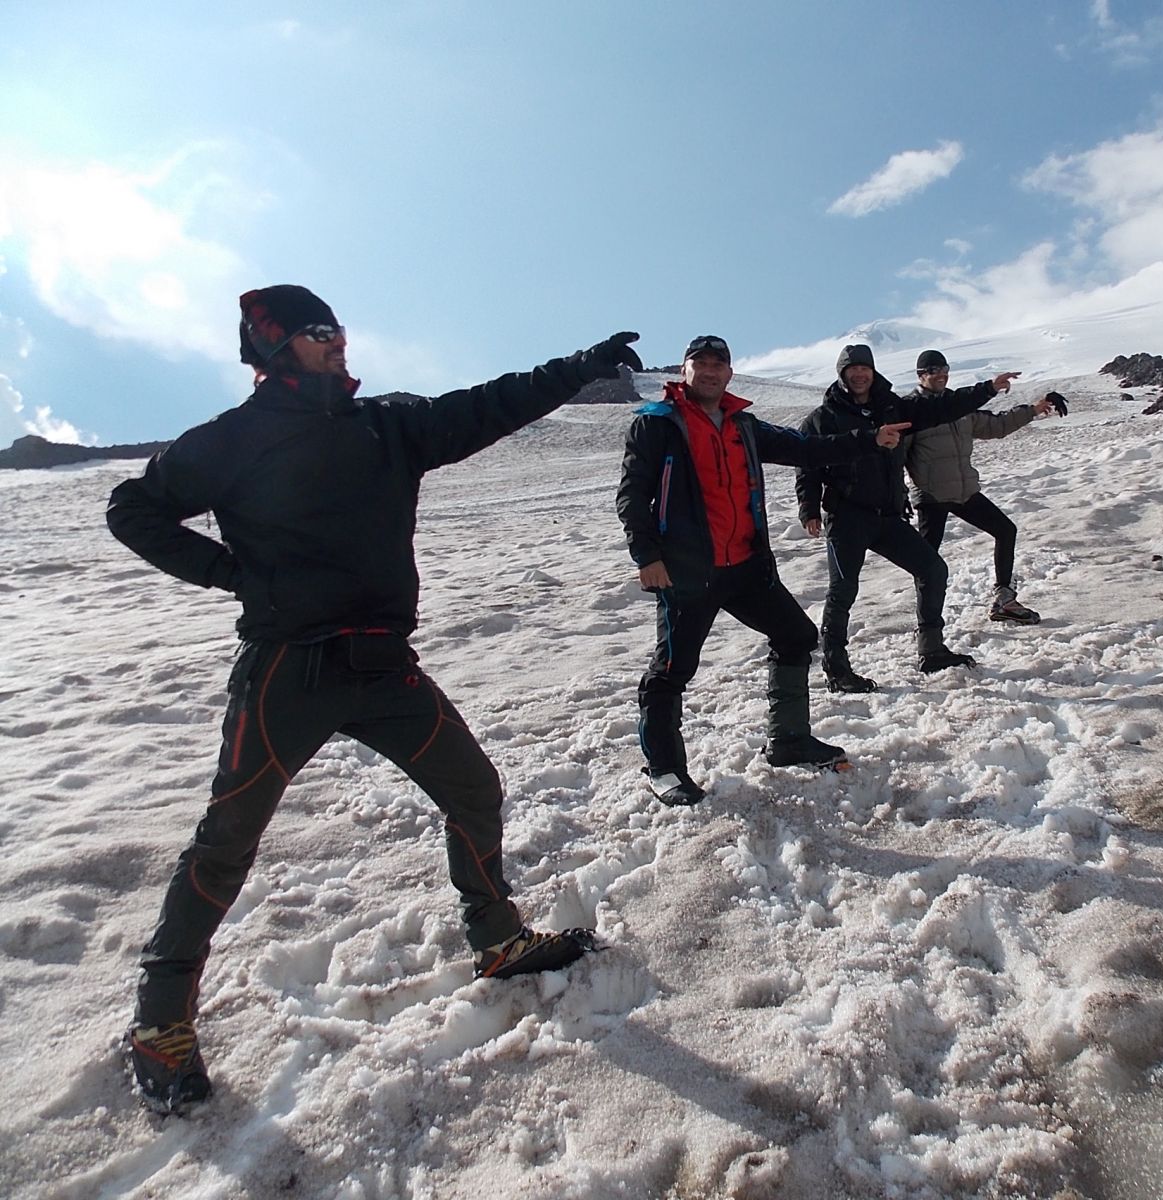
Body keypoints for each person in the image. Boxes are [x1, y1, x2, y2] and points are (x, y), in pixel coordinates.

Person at [105, 284, 643, 1114]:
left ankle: (498, 940)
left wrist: (578, 367)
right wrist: (229, 572)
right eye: (321, 332)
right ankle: (160, 1022)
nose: (340, 343)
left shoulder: (384, 426)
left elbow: (487, 405)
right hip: (289, 669)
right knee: (227, 843)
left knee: (473, 788)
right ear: (274, 346)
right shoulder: (233, 439)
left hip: (384, 665)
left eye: (341, 329)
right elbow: (131, 507)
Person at [617, 334, 911, 805]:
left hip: (747, 567)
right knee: (672, 668)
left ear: (729, 374)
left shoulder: (744, 425)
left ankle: (788, 740)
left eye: (719, 364)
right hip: (689, 573)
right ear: (684, 370)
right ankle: (664, 768)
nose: (710, 372)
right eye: (701, 363)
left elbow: (805, 449)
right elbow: (632, 495)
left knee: (796, 636)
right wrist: (647, 557)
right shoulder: (658, 424)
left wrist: (869, 439)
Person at [796, 344, 1021, 692]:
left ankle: (931, 649)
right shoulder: (823, 418)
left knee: (932, 569)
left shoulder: (892, 407)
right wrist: (809, 507)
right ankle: (836, 669)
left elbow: (944, 406)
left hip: (887, 515)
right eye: (851, 369)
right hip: (847, 517)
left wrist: (988, 389)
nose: (859, 374)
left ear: (872, 372)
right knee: (843, 591)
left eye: (864, 368)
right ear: (842, 374)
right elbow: (807, 463)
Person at [905, 349, 1068, 624]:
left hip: (964, 491)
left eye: (944, 369)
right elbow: (895, 455)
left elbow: (997, 425)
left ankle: (1004, 600)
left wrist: (1035, 409)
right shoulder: (911, 410)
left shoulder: (959, 407)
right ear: (921, 376)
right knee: (927, 564)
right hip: (932, 496)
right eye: (934, 370)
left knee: (1005, 530)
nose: (942, 374)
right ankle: (927, 626)